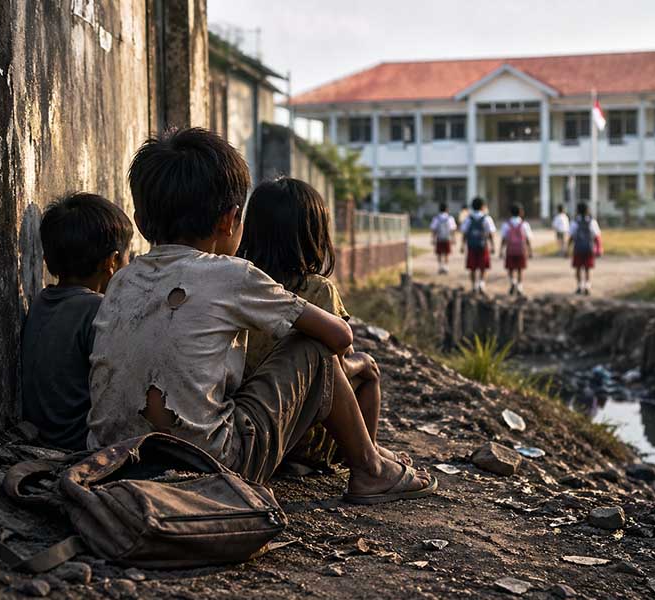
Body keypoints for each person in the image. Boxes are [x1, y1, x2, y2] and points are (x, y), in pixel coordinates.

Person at [88, 128, 436, 505]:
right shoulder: (232, 273)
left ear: (139, 221)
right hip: (209, 465)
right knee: (313, 346)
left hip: (112, 460)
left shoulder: (122, 279)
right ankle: (370, 469)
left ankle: (371, 462)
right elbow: (340, 338)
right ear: (231, 220)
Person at [238, 177, 410, 468]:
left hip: (251, 422)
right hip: (302, 433)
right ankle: (368, 452)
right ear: (313, 235)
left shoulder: (240, 282)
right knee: (367, 369)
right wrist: (362, 364)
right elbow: (334, 368)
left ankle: (370, 450)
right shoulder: (316, 290)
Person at [21, 193, 133, 450]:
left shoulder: (41, 301)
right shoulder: (98, 310)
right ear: (112, 262)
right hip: (77, 445)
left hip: (45, 439)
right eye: (126, 258)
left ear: (48, 260)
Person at [459, 197, 497, 294]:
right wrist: (492, 245)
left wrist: (462, 245)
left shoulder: (468, 219)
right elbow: (491, 233)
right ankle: (481, 283)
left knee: (472, 266)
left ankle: (474, 285)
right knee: (483, 266)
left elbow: (464, 233)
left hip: (471, 246)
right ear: (483, 207)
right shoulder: (487, 218)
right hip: (483, 245)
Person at [499, 203, 533, 296]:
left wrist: (501, 250)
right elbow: (528, 239)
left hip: (510, 250)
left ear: (510, 212)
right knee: (520, 269)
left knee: (510, 268)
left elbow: (504, 239)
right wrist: (530, 250)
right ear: (521, 212)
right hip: (521, 250)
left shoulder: (506, 224)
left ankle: (512, 282)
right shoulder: (524, 224)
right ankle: (520, 286)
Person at [568, 202, 602, 295]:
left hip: (578, 248)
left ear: (577, 211)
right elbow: (597, 236)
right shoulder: (592, 221)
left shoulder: (574, 222)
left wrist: (568, 248)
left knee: (578, 268)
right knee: (587, 268)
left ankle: (579, 286)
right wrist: (599, 248)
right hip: (589, 248)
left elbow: (571, 236)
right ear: (588, 210)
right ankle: (587, 285)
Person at [429, 202, 456, 274]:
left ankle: (440, 266)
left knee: (439, 253)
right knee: (447, 253)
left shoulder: (436, 218)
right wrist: (453, 238)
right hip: (447, 238)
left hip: (439, 238)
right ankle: (446, 267)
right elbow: (452, 229)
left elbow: (433, 229)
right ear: (447, 209)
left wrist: (433, 238)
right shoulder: (450, 218)